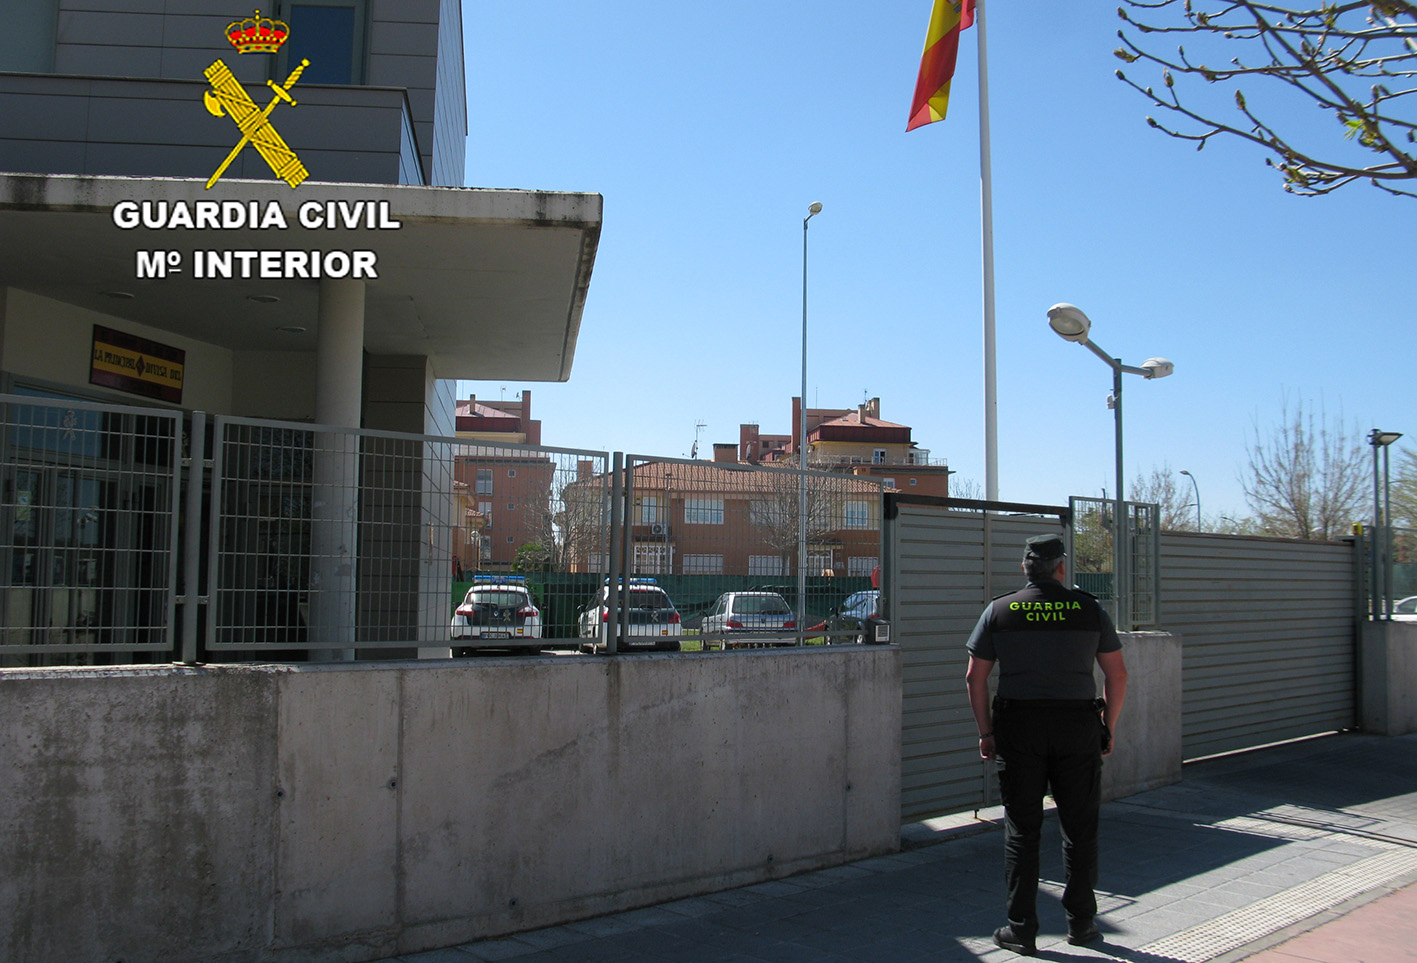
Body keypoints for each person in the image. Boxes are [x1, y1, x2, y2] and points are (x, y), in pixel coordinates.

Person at [964, 533, 1128, 956]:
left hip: (1020, 728)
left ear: (1025, 568)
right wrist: (1106, 727)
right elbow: (1118, 675)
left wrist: (987, 732)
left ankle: (1021, 929)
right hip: (1077, 728)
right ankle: (1083, 925)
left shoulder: (1000, 610)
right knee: (1079, 828)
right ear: (1061, 568)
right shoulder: (1090, 609)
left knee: (1022, 830)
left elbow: (974, 677)